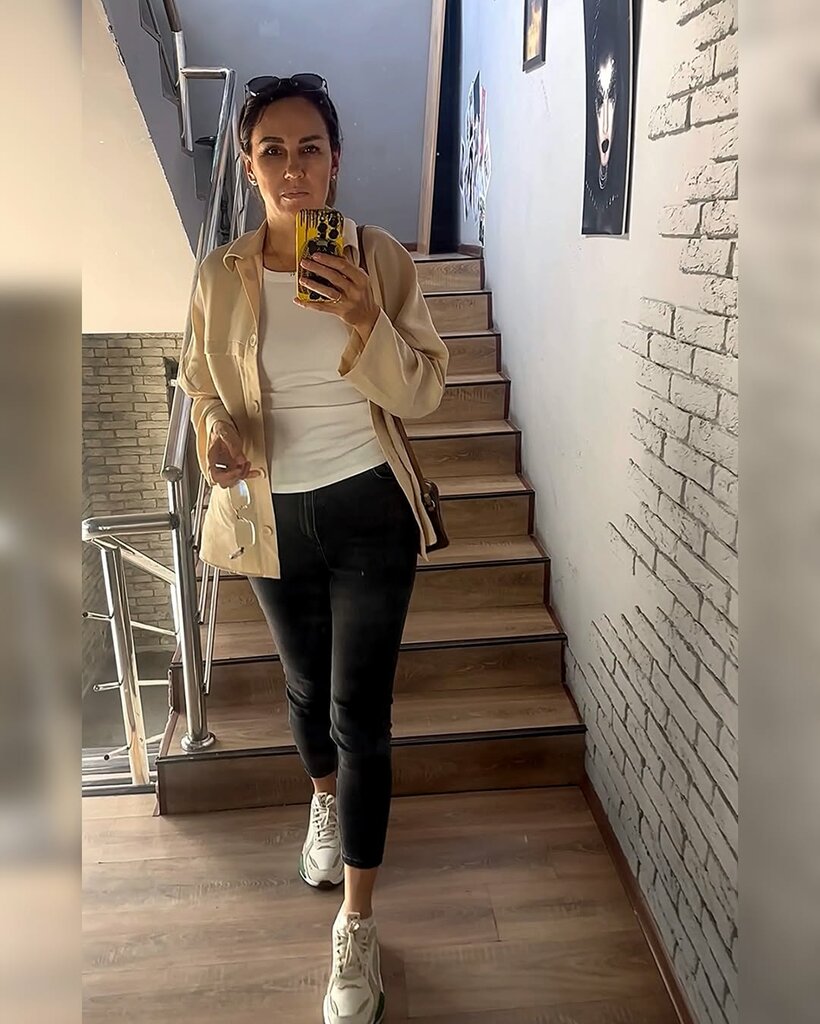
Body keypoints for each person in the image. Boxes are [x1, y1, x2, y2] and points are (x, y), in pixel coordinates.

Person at [178, 73, 449, 1024]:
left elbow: (424, 394)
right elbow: (202, 385)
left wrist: (366, 318)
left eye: (310, 149)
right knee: (303, 691)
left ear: (335, 161)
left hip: (371, 508)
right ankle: (323, 801)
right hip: (269, 515)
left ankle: (357, 924)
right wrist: (215, 435)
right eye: (272, 151)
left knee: (359, 713)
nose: (292, 168)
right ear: (248, 165)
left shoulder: (379, 259)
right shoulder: (219, 274)